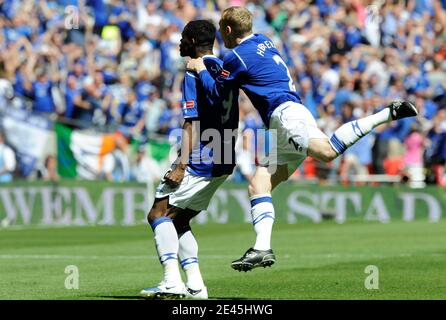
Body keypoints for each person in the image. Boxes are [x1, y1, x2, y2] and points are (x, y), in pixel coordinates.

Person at [187, 6, 418, 272]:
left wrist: (200, 66)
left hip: (286, 117)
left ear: (227, 31)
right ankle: (261, 247)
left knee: (328, 151)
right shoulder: (264, 41)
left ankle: (388, 113)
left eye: (221, 32)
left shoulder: (236, 56)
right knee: (258, 185)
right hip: (285, 120)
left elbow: (216, 93)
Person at [140, 19, 239, 299]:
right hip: (225, 155)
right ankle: (195, 286)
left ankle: (172, 281)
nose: (180, 42)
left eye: (184, 38)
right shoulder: (224, 68)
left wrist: (181, 164)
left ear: (193, 41)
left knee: (158, 213)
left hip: (202, 157)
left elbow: (191, 122)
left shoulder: (195, 70)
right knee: (179, 220)